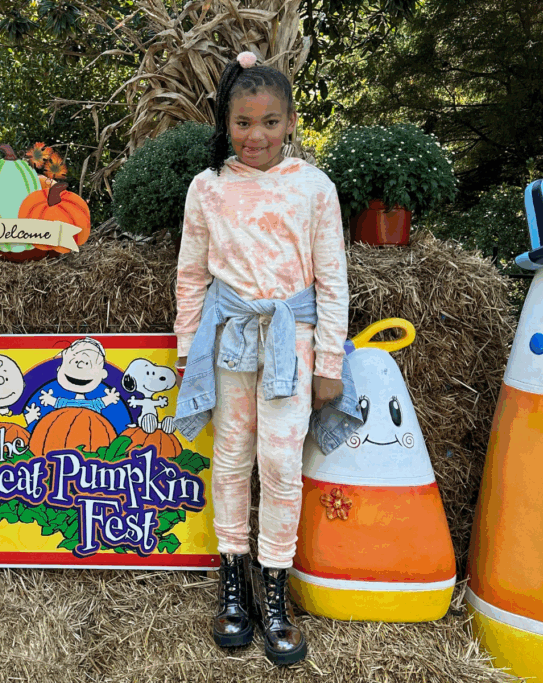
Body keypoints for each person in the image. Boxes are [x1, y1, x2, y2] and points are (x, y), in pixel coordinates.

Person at [174, 51, 350, 666]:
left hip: (291, 346)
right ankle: (233, 583)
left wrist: (329, 362)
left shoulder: (314, 187)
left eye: (270, 122)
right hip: (230, 342)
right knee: (229, 458)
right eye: (244, 123)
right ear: (226, 123)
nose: (257, 136)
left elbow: (332, 279)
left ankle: (274, 590)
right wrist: (185, 349)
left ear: (291, 122)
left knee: (279, 462)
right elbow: (191, 276)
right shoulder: (208, 188)